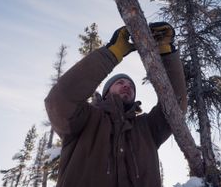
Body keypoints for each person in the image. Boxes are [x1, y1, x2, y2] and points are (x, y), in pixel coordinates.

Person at [45, 22, 187, 187]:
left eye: (131, 86)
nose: (127, 85)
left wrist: (166, 53)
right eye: (120, 82)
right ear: (105, 93)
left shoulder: (147, 127)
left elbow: (176, 107)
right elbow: (60, 99)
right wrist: (112, 53)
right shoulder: (84, 119)